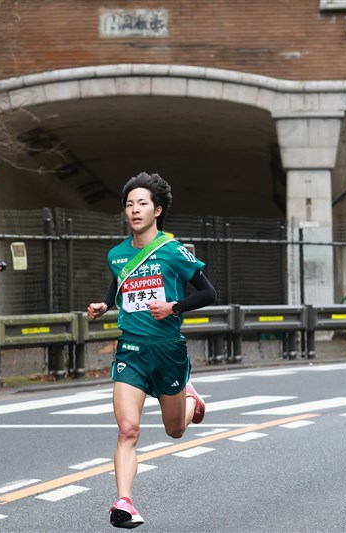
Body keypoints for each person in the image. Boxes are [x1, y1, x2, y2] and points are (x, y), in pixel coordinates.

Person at [86, 172, 217, 529]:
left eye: (142, 203)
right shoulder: (117, 255)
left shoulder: (173, 252)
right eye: (129, 204)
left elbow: (209, 293)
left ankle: (192, 402)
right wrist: (103, 306)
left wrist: (174, 307)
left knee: (175, 430)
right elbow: (120, 291)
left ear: (157, 210)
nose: (134, 210)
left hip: (168, 351)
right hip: (130, 350)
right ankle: (125, 502)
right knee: (128, 430)